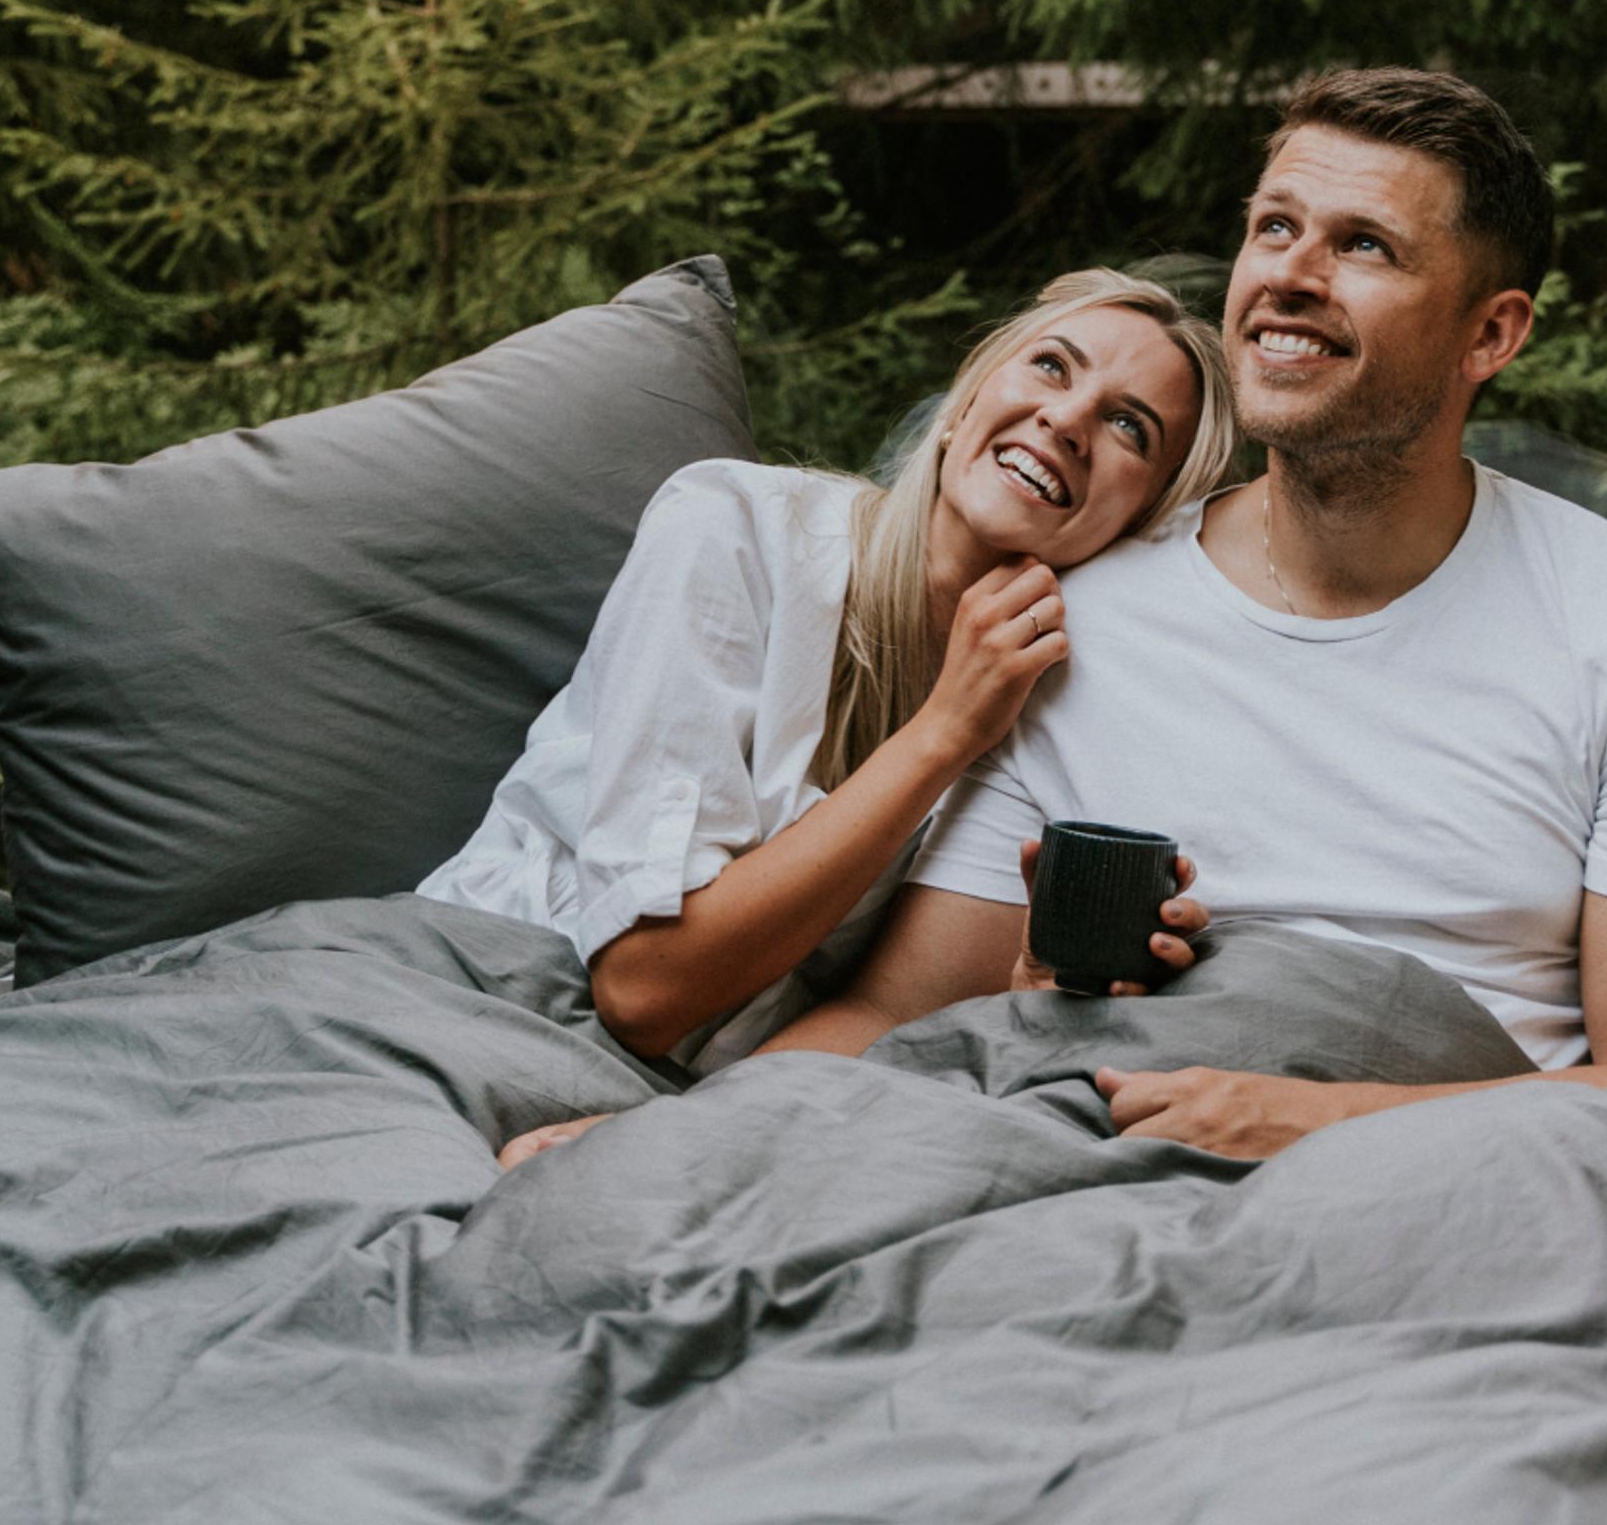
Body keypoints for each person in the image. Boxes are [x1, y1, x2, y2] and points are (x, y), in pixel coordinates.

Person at [711, 68, 1607, 1157]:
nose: (1290, 274)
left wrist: (1320, 1123)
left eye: (1363, 245)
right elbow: (894, 1021)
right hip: (1105, 1165)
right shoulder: (1081, 623)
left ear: (1490, 335)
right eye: (1274, 227)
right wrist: (671, 1142)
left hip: (1475, 1194)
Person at [424, 269, 1233, 1101]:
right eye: (1053, 366)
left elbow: (882, 1008)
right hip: (491, 987)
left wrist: (1018, 995)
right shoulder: (733, 532)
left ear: (1143, 525)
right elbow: (642, 989)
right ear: (963, 404)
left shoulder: (1057, 705)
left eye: (1129, 426)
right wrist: (944, 732)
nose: (1066, 419)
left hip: (721, 1093)